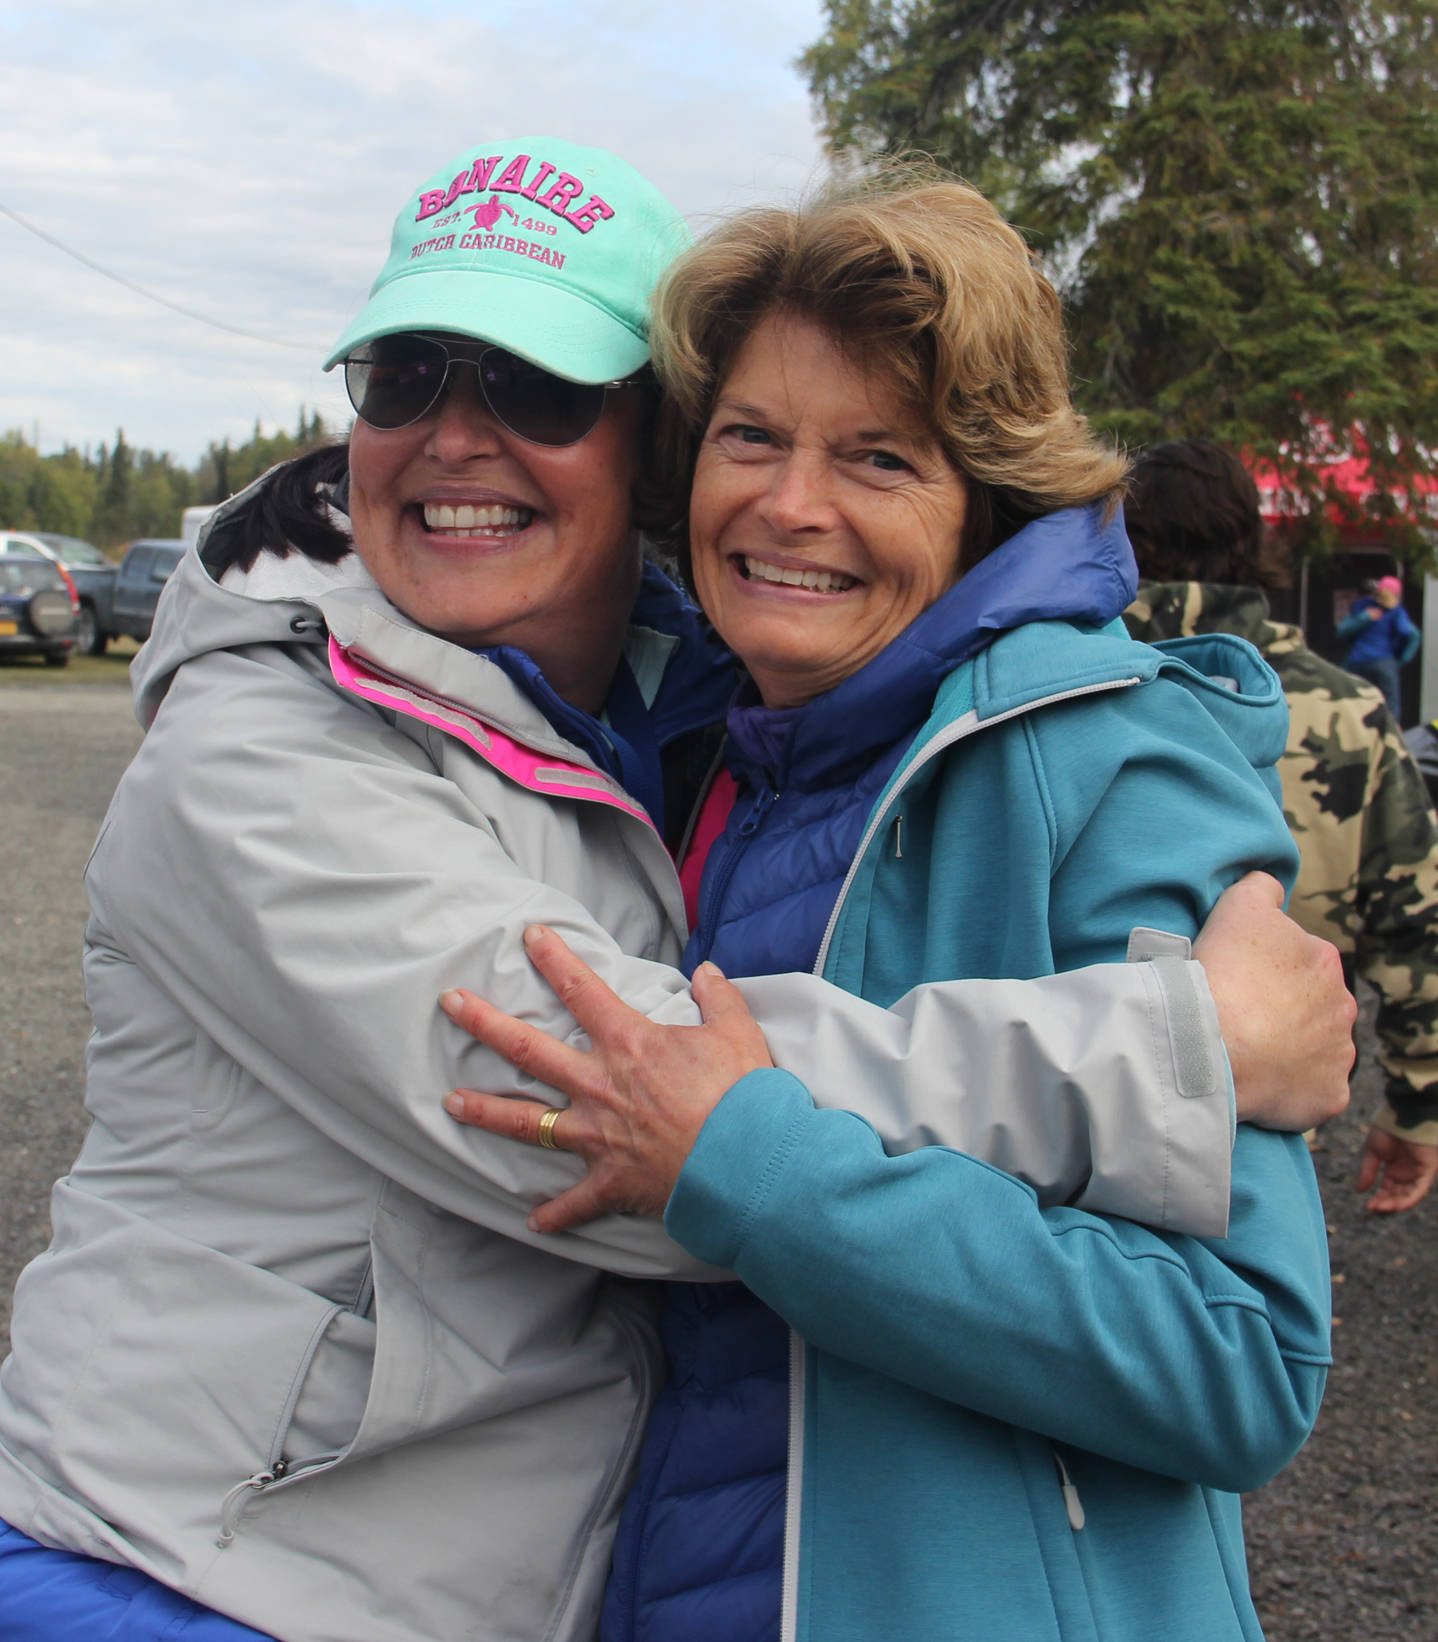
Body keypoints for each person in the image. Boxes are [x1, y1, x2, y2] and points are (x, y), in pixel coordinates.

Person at [0, 141, 1349, 1642]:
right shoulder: (260, 748)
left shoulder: (815, 742)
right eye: (404, 375)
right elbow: (606, 1106)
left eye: (532, 388)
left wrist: (757, 1153)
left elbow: (1235, 1353)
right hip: (163, 1582)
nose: (455, 436)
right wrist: (1172, 1052)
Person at [441, 171, 1341, 1642]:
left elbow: (1236, 1359)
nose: (792, 505)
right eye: (750, 436)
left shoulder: (1112, 764)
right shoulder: (688, 753)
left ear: (980, 497)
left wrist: (759, 1166)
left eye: (878, 458)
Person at [1123, 439, 1438, 1211]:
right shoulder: (1351, 713)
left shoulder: (1053, 691)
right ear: (1252, 541)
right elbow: (1415, 920)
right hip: (1278, 1122)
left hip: (1090, 1110)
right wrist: (1417, 1105)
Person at [1338, 573, 1421, 720]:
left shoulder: (1364, 607)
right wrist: (1400, 659)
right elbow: (1409, 632)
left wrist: (1365, 617)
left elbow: (1342, 631)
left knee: (1351, 699)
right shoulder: (1395, 611)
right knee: (1391, 704)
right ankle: (1390, 737)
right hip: (1383, 661)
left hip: (1358, 660)